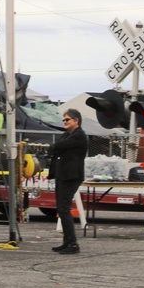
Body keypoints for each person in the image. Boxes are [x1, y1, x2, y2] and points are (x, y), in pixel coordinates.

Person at [49, 108, 88, 254]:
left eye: (67, 120)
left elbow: (57, 146)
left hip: (71, 176)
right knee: (61, 209)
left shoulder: (79, 135)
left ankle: (73, 244)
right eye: (63, 120)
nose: (64, 122)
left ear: (76, 120)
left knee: (64, 209)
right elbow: (56, 146)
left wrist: (54, 148)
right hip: (62, 175)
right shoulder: (67, 134)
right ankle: (66, 241)